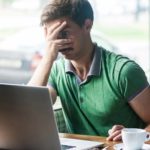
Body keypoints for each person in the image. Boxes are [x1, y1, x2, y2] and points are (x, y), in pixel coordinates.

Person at [28, 0, 150, 141]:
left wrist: (133, 135)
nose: (58, 42)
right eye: (53, 36)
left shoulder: (124, 72)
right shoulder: (56, 71)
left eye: (64, 33)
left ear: (87, 25)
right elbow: (28, 109)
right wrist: (48, 57)